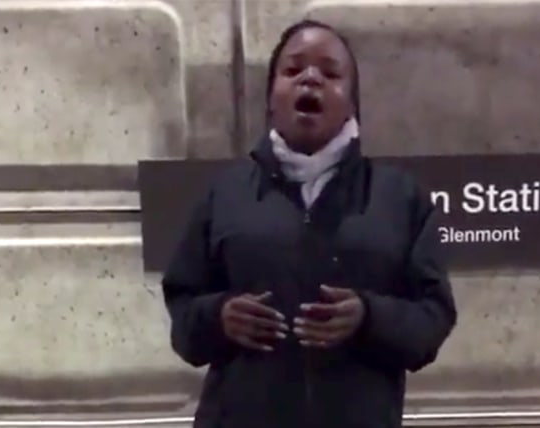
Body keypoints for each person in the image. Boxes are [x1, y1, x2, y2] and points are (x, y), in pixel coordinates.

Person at [161, 19, 457, 428]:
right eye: (293, 69)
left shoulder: (399, 198)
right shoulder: (224, 194)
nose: (310, 78)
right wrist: (219, 316)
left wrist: (369, 317)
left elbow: (431, 321)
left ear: (352, 102)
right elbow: (184, 322)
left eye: (330, 72)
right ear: (270, 97)